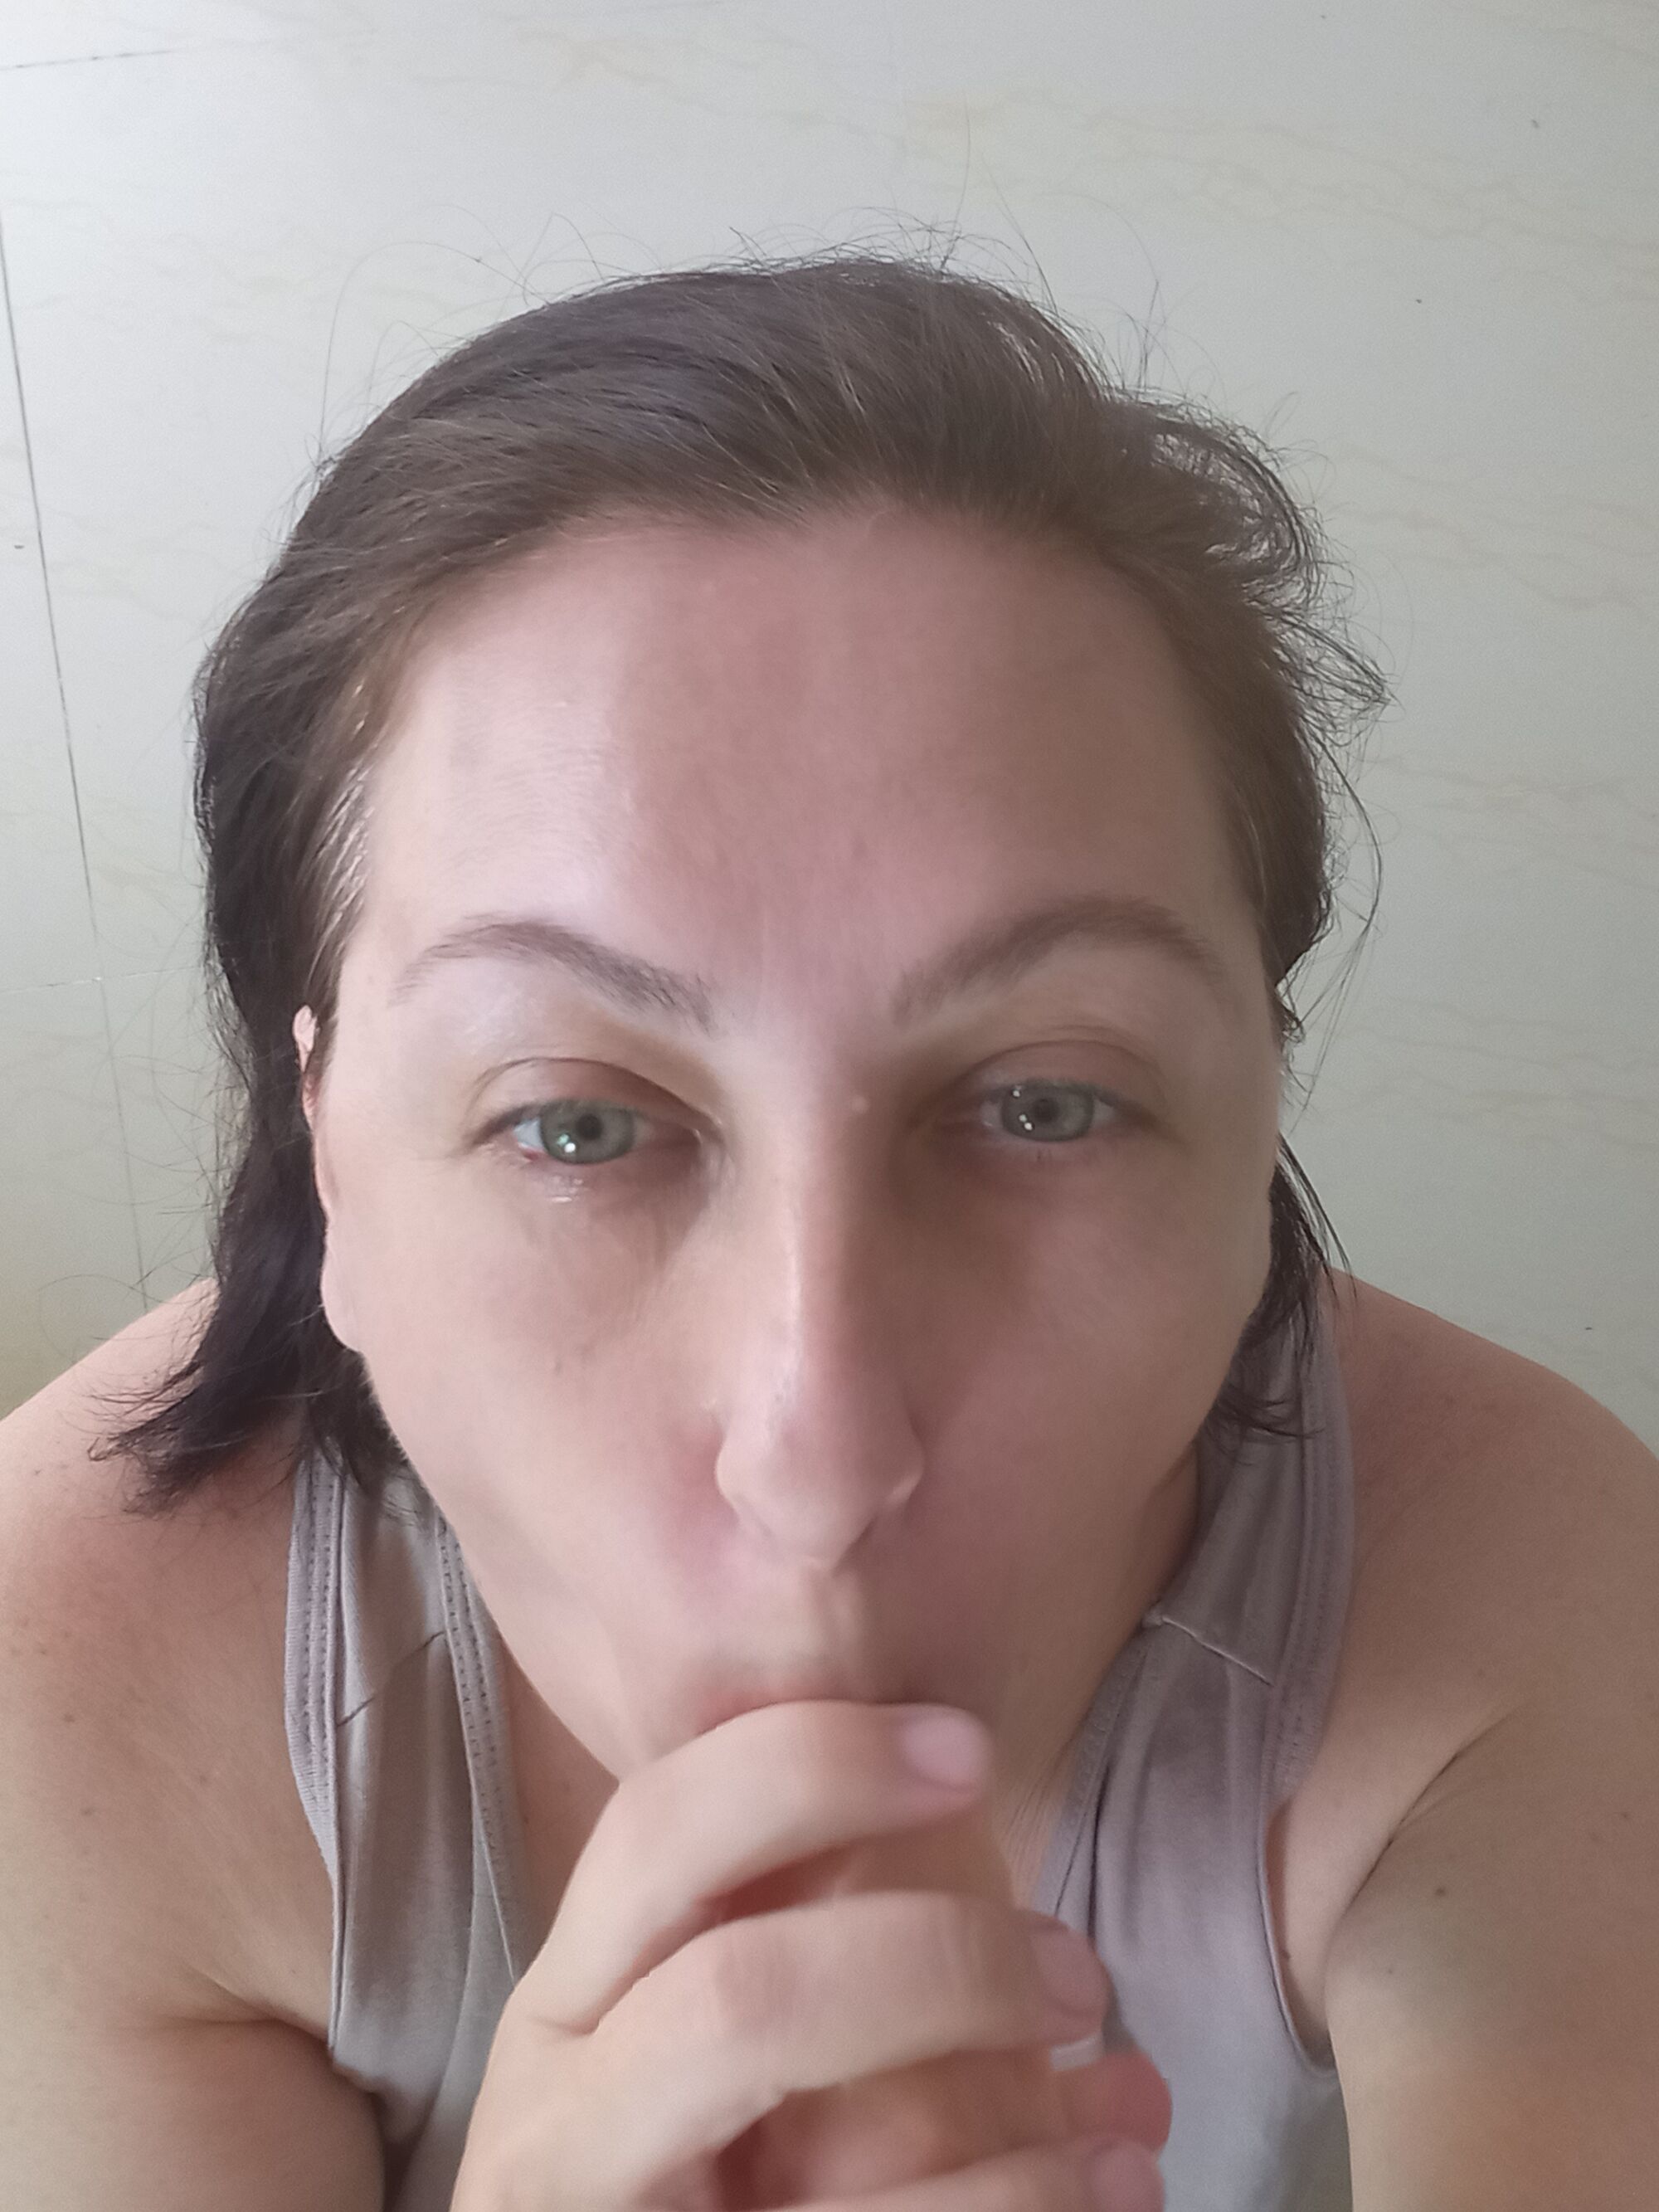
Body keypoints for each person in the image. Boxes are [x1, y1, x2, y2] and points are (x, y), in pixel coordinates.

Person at [2, 249, 1654, 2212]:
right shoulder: (70, 1681)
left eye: (1045, 1102)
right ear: (330, 1159)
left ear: (1253, 1118)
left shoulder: (1533, 1598)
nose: (820, 1451)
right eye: (577, 1124)